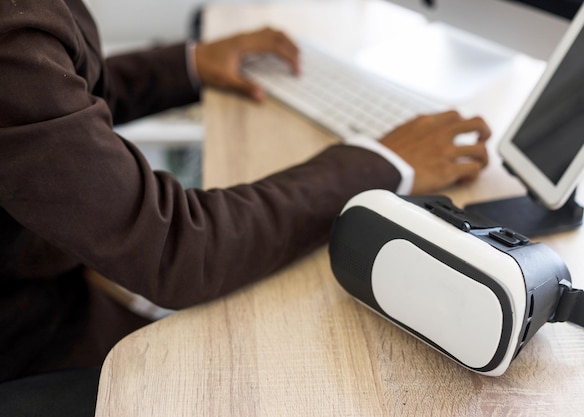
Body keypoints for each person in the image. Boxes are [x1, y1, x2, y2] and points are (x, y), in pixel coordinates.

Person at [0, 0, 490, 385]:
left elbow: (48, 98)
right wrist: (383, 165)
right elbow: (175, 248)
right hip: (30, 342)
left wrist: (188, 64)